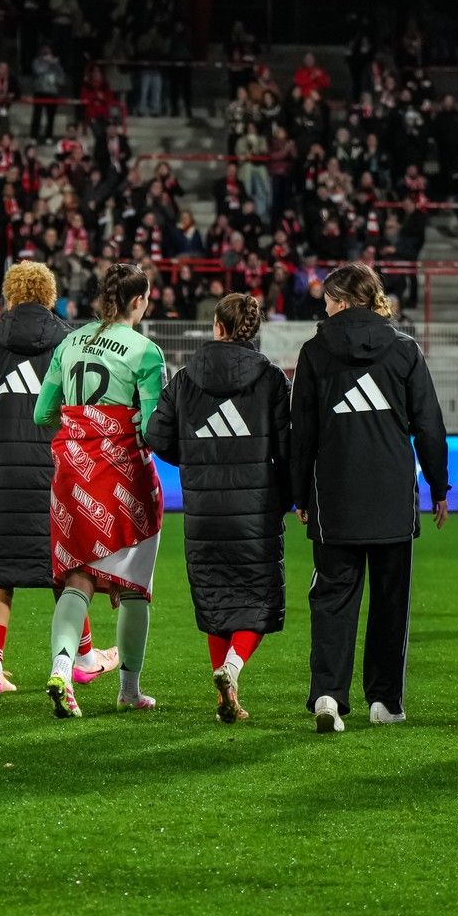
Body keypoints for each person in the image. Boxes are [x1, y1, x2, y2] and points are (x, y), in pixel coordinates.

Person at [290, 262, 449, 734]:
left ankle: (328, 696)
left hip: (335, 496)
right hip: (391, 497)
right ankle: (384, 701)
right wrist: (439, 487)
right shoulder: (403, 351)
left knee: (332, 599)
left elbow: (303, 435)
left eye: (326, 300)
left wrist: (299, 494)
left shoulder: (315, 352)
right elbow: (430, 425)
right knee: (390, 602)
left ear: (339, 300)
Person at [0, 261, 114, 695]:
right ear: (49, 295)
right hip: (57, 473)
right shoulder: (72, 345)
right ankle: (81, 658)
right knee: (67, 571)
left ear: (10, 294)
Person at [147, 293, 291, 725]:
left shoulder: (186, 378)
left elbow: (156, 435)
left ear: (218, 326)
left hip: (203, 506)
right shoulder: (271, 380)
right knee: (259, 597)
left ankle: (225, 695)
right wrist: (291, 497)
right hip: (256, 506)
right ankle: (232, 668)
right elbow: (288, 447)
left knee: (214, 596)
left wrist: (193, 459)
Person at [33, 262, 167, 718]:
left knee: (77, 579)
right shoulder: (146, 352)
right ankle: (129, 690)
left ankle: (62, 668)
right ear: (136, 301)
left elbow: (41, 415)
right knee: (133, 589)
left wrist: (79, 432)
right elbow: (150, 428)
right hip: (123, 476)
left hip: (71, 471)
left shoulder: (68, 343)